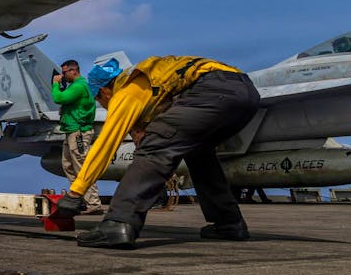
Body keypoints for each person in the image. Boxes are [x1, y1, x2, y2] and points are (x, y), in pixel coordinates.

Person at [55, 56, 260, 249]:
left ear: (104, 91)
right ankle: (229, 223)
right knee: (200, 154)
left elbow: (105, 146)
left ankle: (119, 223)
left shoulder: (125, 91)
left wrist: (76, 193)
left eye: (99, 100)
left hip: (212, 91)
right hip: (245, 93)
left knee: (156, 147)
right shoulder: (147, 83)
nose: (103, 105)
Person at [51, 59, 102, 215]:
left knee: (81, 168)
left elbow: (59, 98)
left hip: (79, 132)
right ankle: (78, 198)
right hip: (71, 131)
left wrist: (55, 85)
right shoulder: (75, 86)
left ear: (74, 70)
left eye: (65, 72)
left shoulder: (79, 86)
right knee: (68, 165)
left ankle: (93, 203)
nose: (62, 75)